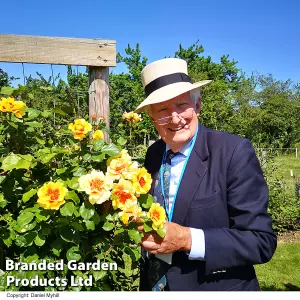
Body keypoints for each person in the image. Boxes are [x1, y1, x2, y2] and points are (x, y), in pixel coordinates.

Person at [135, 58, 277, 291]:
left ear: (197, 105)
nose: (174, 118)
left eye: (181, 105)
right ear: (152, 118)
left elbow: (261, 241)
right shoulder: (153, 153)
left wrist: (187, 239)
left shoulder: (233, 152)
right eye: (162, 109)